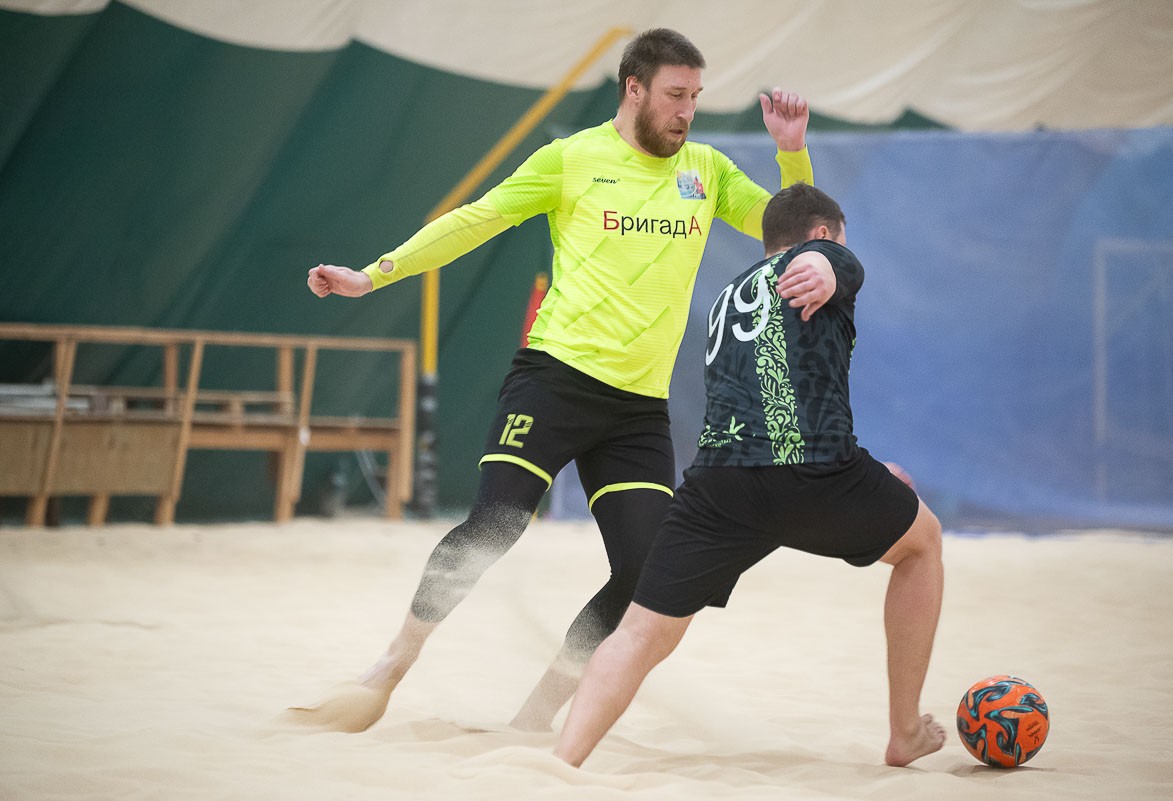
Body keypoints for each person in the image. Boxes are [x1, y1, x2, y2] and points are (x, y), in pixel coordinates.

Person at [295, 28, 817, 733]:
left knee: (646, 571)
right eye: (675, 95)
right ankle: (391, 664)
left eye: (695, 96)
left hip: (637, 409)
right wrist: (373, 275)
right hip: (555, 380)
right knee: (496, 523)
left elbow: (794, 231)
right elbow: (476, 220)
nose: (687, 111)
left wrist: (791, 150)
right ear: (634, 88)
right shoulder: (572, 159)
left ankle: (533, 720)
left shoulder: (707, 171)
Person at [552, 183, 946, 768]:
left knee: (637, 634)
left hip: (718, 484)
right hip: (812, 472)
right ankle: (904, 732)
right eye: (835, 241)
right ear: (821, 233)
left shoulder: (728, 294)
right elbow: (835, 264)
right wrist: (827, 265)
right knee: (923, 544)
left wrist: (871, 472)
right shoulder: (822, 258)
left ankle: (561, 763)